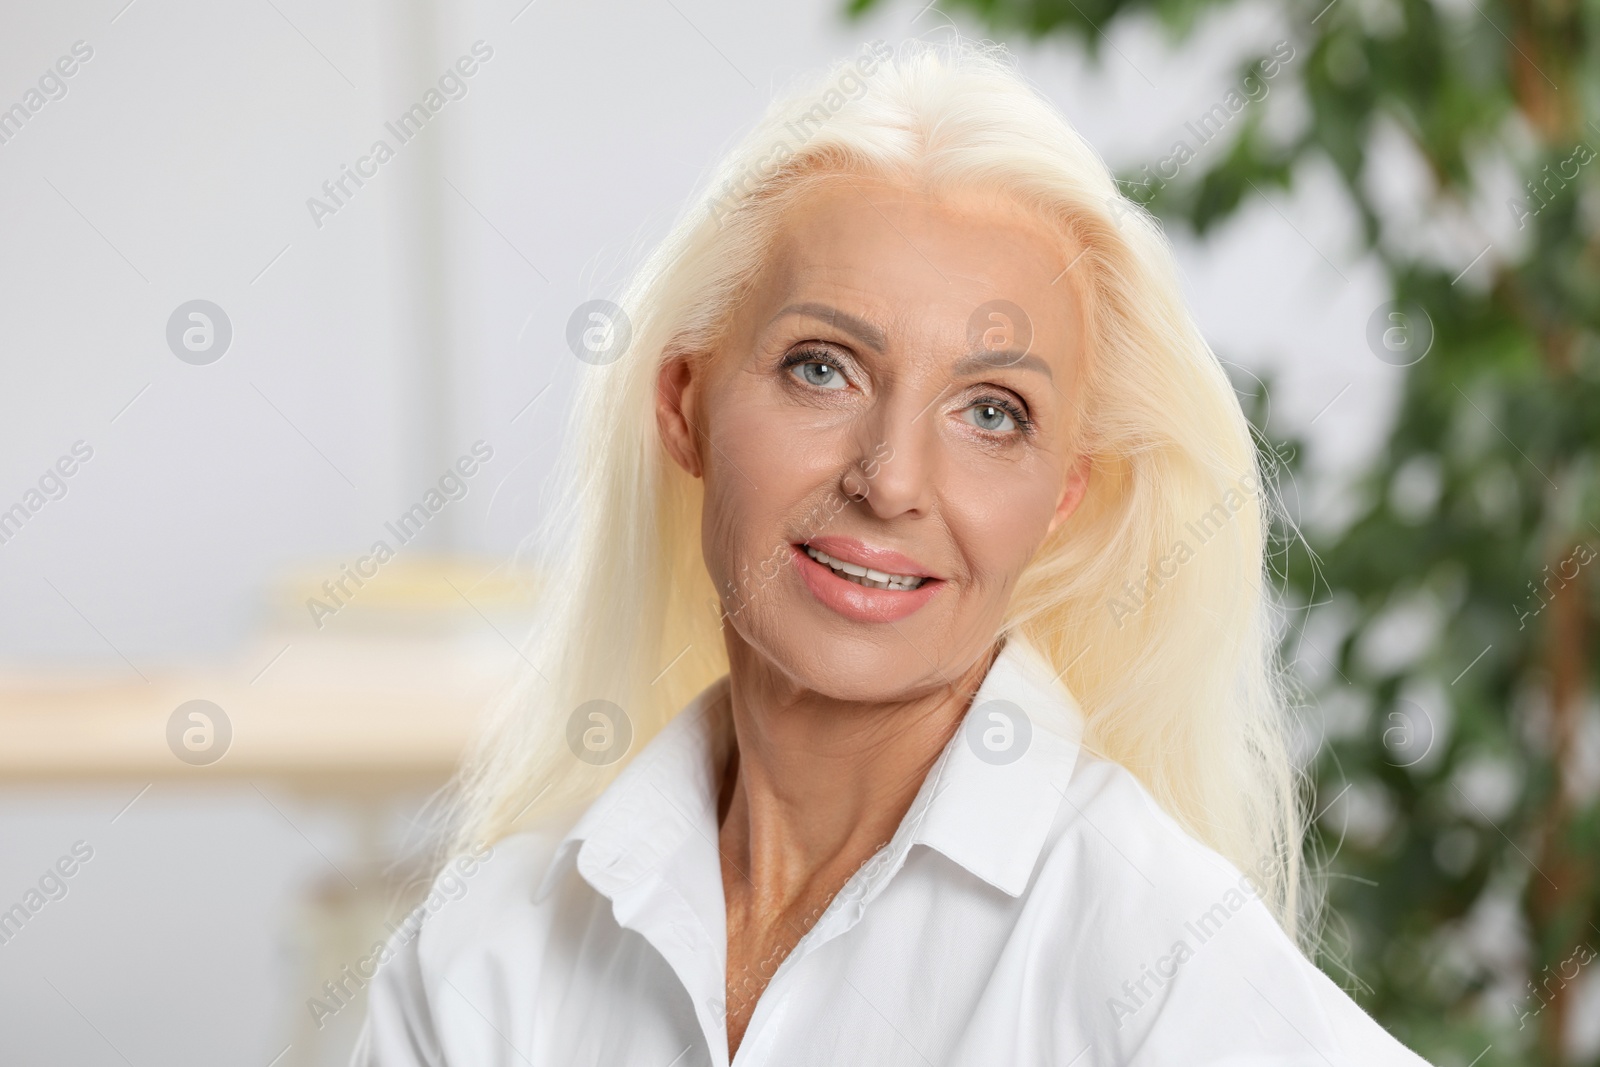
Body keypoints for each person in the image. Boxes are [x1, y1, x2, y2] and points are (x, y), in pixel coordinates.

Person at [352, 38, 1435, 1066]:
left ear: (1062, 494)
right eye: (823, 368)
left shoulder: (1152, 949)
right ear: (684, 404)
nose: (891, 479)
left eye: (992, 412)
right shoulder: (484, 958)